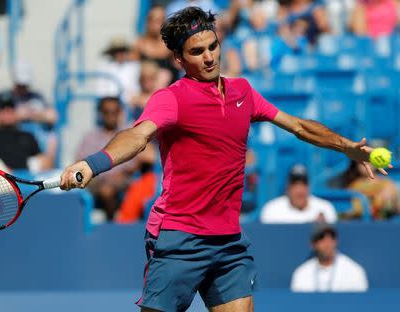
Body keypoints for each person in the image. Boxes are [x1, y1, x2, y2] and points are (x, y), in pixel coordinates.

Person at [59, 7, 390, 312]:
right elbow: (138, 135)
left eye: (212, 47)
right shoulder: (171, 99)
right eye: (196, 52)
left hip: (229, 241)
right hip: (179, 236)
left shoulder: (243, 92)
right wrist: (93, 164)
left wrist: (347, 147)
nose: (208, 58)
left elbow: (299, 126)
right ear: (178, 58)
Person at [75, 97, 136, 221]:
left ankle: (111, 222)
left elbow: (133, 165)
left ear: (120, 113)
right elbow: (79, 162)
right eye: (106, 112)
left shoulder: (127, 135)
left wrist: (119, 175)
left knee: (107, 190)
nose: (110, 116)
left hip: (120, 179)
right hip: (94, 179)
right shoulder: (90, 137)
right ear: (101, 113)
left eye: (114, 112)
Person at [0, 91, 56, 173]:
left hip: (25, 181)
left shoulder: (27, 136)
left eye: (11, 108)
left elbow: (44, 163)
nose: (7, 111)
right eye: (3, 108)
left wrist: (50, 154)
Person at [291, 223, 369, 292]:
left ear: (336, 241)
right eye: (321, 238)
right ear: (312, 245)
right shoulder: (302, 273)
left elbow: (360, 305)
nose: (327, 243)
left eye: (331, 237)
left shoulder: (354, 271)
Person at [260, 164, 337, 224]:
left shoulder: (325, 208)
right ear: (287, 188)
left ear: (309, 187)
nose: (299, 191)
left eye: (303, 184)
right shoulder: (272, 210)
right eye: (295, 185)